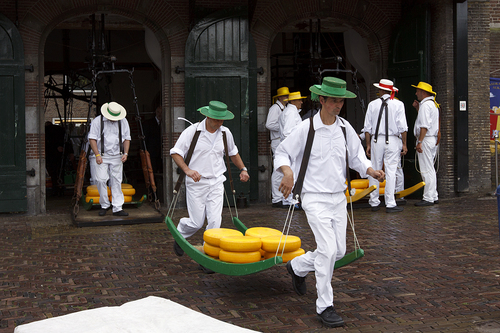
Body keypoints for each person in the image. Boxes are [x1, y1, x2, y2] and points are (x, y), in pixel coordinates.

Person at [275, 77, 385, 328]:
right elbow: (282, 151)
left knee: (338, 251)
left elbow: (357, 157)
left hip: (338, 198)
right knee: (326, 250)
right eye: (334, 101)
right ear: (321, 100)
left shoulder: (345, 128)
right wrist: (288, 173)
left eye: (341, 101)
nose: (338, 105)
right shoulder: (306, 128)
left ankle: (298, 266)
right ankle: (325, 305)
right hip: (313, 197)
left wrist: (370, 170)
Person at [170, 101, 250, 257]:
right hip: (196, 183)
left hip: (217, 182)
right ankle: (180, 235)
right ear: (207, 116)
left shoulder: (225, 133)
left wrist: (243, 169)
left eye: (222, 120)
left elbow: (233, 153)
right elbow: (175, 152)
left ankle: (208, 253)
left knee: (215, 222)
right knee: (196, 222)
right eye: (216, 120)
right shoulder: (192, 132)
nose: (220, 123)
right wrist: (187, 170)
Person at [363, 79, 408, 213]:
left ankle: (374, 201)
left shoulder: (372, 104)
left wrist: (368, 144)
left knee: (375, 169)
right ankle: (390, 203)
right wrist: (404, 144)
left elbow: (367, 128)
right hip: (393, 140)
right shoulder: (398, 104)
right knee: (391, 170)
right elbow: (403, 127)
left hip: (377, 139)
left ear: (381, 90)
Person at [88, 101, 131, 217]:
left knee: (116, 181)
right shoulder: (98, 121)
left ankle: (117, 207)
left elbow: (127, 138)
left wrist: (125, 153)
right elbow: (92, 139)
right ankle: (105, 205)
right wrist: (97, 154)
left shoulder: (123, 121)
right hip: (101, 155)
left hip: (117, 155)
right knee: (101, 180)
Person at [412, 81, 440, 206]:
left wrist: (420, 142)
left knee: (426, 169)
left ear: (423, 92)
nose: (416, 93)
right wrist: (418, 109)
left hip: (426, 139)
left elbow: (424, 126)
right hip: (431, 139)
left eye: (418, 90)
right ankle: (433, 195)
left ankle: (428, 197)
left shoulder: (425, 105)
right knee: (430, 168)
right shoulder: (432, 104)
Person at [278, 91, 307, 208]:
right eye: (299, 100)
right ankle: (290, 200)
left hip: (291, 147)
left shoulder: (291, 111)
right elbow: (288, 132)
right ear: (293, 101)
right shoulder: (291, 112)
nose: (301, 102)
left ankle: (290, 199)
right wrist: (294, 148)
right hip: (291, 148)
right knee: (291, 173)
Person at [266, 87, 289, 208]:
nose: (286, 98)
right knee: (278, 169)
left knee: (281, 169)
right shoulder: (275, 108)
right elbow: (269, 124)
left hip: (281, 140)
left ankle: (279, 196)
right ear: (279, 97)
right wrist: (283, 129)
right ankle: (276, 197)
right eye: (284, 96)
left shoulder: (284, 108)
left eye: (287, 96)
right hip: (277, 141)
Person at [143, 105, 163, 174]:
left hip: (162, 151)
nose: (160, 114)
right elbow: (145, 138)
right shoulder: (148, 123)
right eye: (158, 112)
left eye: (161, 112)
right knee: (152, 170)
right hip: (152, 151)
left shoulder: (165, 123)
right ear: (155, 112)